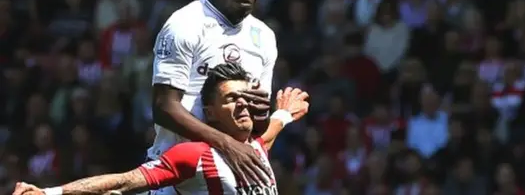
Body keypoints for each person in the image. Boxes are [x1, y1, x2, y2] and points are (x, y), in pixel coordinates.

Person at [12, 63, 309, 195]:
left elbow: (269, 133)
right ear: (210, 113)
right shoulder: (195, 156)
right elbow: (123, 182)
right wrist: (51, 193)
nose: (243, 105)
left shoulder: (256, 147)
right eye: (232, 99)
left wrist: (284, 113)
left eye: (246, 97)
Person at [150, 0, 278, 186]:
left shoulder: (264, 37)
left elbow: (255, 126)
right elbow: (163, 106)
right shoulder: (185, 24)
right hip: (178, 177)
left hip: (230, 176)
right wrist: (225, 143)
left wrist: (264, 114)